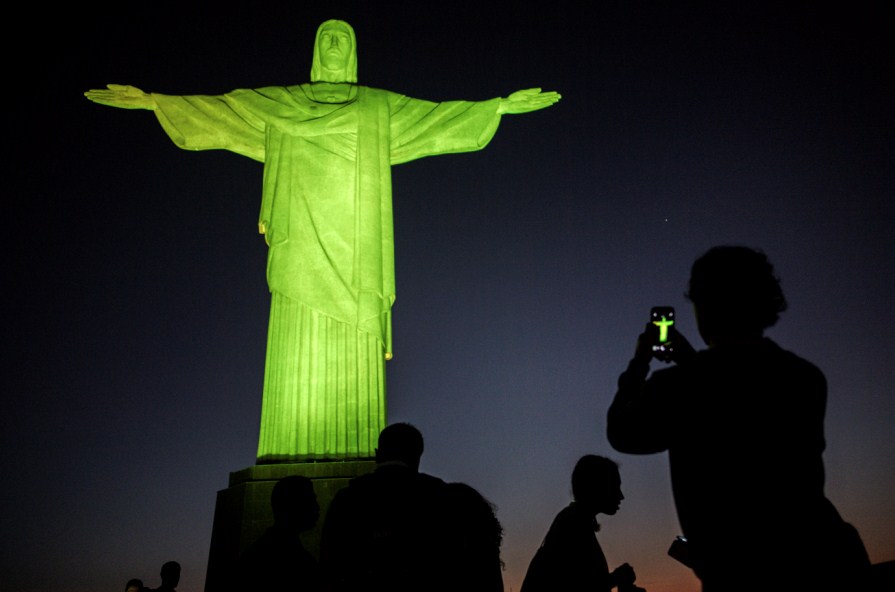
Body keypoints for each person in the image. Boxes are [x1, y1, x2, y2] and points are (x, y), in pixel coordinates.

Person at [84, 19, 561, 463]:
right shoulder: (281, 102)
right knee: (295, 325)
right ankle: (287, 448)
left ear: (352, 52)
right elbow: (223, 110)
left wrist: (496, 106)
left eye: (343, 38)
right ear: (316, 50)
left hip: (358, 245)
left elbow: (435, 120)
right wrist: (154, 101)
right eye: (326, 37)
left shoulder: (377, 106)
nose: (334, 44)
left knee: (355, 329)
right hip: (301, 242)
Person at [606, 245, 871, 591]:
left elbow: (620, 432)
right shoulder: (805, 377)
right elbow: (736, 398)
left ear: (703, 305)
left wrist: (640, 362)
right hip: (828, 564)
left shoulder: (678, 388)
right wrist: (691, 360)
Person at [318, 422, 449, 592]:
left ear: (377, 454)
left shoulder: (347, 498)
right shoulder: (439, 495)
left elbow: (330, 563)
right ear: (417, 457)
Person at [520, 455, 645, 592]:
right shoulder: (573, 523)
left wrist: (615, 579)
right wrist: (616, 578)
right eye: (615, 486)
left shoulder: (573, 520)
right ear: (597, 487)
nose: (621, 496)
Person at [234, 475, 322, 591]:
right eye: (310, 500)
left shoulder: (257, 555)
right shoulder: (292, 561)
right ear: (292, 505)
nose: (317, 507)